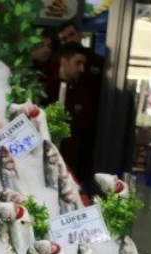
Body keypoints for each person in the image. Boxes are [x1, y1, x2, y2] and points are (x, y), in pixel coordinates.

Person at [45, 42, 102, 185]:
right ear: (64, 62)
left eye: (84, 64)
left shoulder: (81, 94)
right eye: (78, 63)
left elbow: (85, 129)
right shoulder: (45, 88)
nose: (82, 69)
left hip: (71, 166)